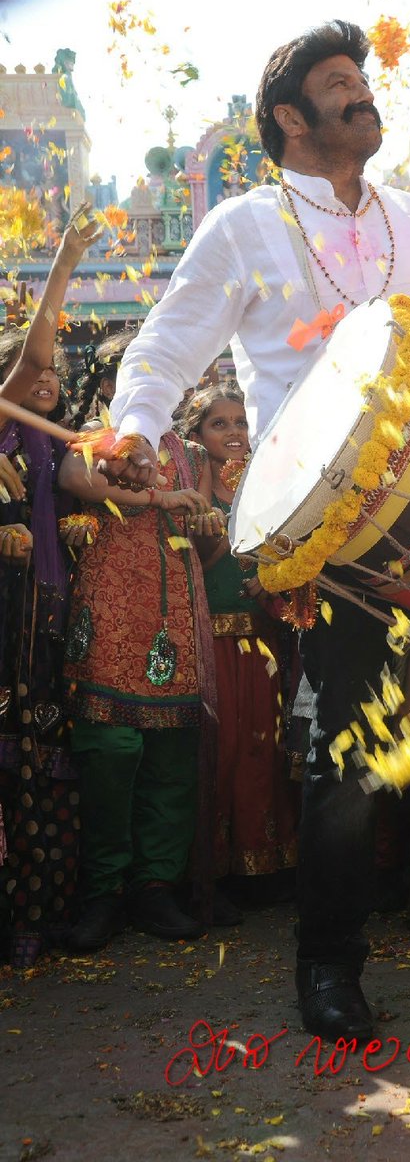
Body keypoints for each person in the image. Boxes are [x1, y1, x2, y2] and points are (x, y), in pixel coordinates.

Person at [100, 20, 410, 1040]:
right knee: (348, 753)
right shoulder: (242, 227)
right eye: (339, 85)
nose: (361, 96)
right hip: (335, 540)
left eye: (361, 80)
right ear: (291, 118)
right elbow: (161, 352)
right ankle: (328, 968)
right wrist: (134, 431)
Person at [54, 333, 220, 953]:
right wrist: (160, 496)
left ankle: (156, 886)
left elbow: (202, 529)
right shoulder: (95, 434)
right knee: (112, 747)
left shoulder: (182, 446)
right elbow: (80, 482)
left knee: (171, 752)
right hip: (111, 605)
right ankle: (103, 890)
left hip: (174, 603)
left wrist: (206, 524)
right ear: (106, 383)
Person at [0, 205, 101, 966]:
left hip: (50, 616)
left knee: (48, 759)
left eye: (56, 376)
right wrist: (63, 263)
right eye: (32, 372)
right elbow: (36, 352)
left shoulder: (60, 448)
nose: (47, 378)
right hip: (5, 614)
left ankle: (44, 911)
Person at [181, 383, 298, 910]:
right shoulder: (191, 488)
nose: (233, 433)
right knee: (222, 752)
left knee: (264, 749)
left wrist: (273, 580)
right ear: (197, 435)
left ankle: (265, 865)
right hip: (212, 640)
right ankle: (215, 873)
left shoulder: (269, 478)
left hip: (265, 638)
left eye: (241, 422)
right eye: (219, 424)